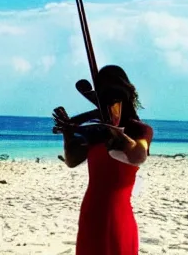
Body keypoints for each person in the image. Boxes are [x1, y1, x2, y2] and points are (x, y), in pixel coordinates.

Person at [54, 65, 153, 255]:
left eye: (114, 96)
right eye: (104, 96)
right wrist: (68, 134)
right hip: (91, 213)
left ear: (126, 95)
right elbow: (72, 160)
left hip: (117, 216)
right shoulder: (96, 131)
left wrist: (117, 135)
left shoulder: (140, 130)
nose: (110, 102)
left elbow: (138, 155)